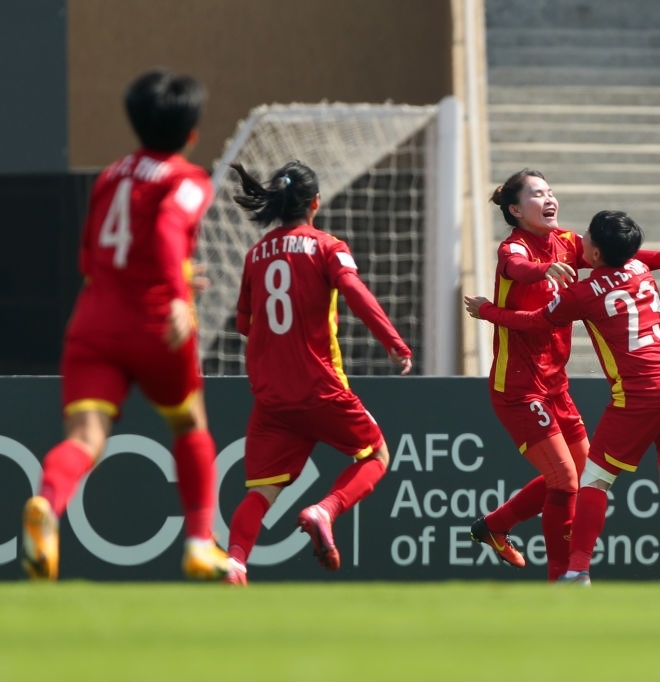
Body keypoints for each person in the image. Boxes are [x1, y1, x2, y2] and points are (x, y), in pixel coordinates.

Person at [21, 68, 230, 581]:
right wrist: (178, 292)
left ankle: (48, 502)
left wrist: (166, 277)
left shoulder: (110, 176)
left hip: (94, 320)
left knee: (85, 436)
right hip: (155, 322)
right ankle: (199, 544)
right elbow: (167, 228)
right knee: (190, 423)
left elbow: (90, 257)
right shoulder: (187, 179)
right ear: (191, 133)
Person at [471, 170, 660, 581]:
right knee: (567, 480)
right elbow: (516, 268)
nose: (550, 198)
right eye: (537, 194)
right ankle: (562, 579)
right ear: (515, 209)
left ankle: (495, 526)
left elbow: (631, 256)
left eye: (550, 190)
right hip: (518, 386)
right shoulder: (513, 247)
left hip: (555, 383)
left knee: (579, 475)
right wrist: (541, 273)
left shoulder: (568, 242)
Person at [222, 160, 413, 585]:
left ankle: (235, 563)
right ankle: (324, 511)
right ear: (316, 203)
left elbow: (244, 324)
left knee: (261, 492)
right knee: (376, 455)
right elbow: (354, 291)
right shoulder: (327, 246)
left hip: (272, 396)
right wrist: (393, 341)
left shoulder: (256, 255)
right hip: (319, 386)